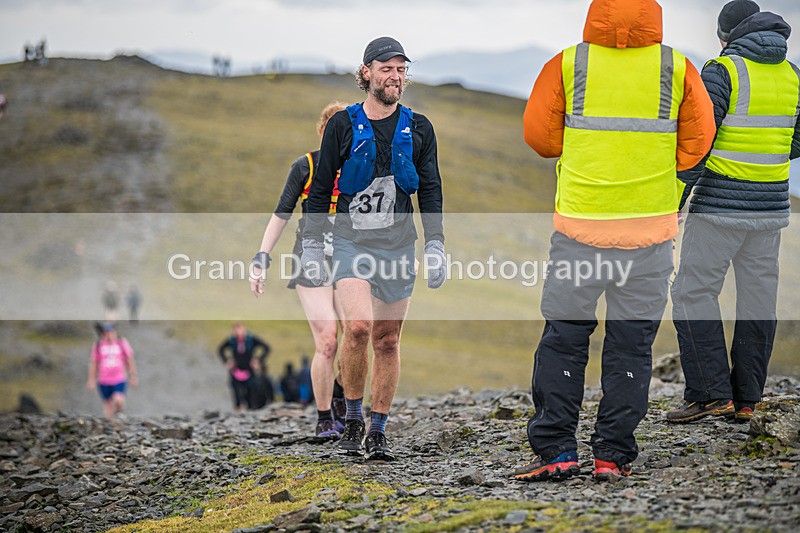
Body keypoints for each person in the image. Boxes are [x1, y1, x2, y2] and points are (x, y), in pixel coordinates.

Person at [514, 0, 715, 482]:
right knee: (630, 345)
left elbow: (541, 140)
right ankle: (612, 455)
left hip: (580, 231)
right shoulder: (677, 67)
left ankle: (558, 450)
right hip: (649, 236)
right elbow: (699, 141)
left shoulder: (567, 63)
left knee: (564, 340)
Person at [300, 36, 446, 461]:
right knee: (359, 328)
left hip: (399, 245)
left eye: (401, 69)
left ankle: (378, 430)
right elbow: (322, 184)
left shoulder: (420, 128)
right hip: (350, 241)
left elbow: (431, 189)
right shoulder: (343, 125)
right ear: (366, 73)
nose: (395, 76)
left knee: (387, 339)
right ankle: (352, 419)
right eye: (386, 69)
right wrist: (311, 244)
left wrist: (435, 244)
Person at [666, 1, 800, 425]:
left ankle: (710, 394)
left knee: (692, 292)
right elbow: (795, 141)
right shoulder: (793, 74)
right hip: (770, 212)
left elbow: (697, 144)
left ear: (726, 35)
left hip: (718, 209)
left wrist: (675, 204)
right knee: (758, 300)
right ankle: (747, 399)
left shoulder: (721, 71)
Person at [249, 102, 348, 439]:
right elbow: (281, 214)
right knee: (328, 340)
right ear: (324, 133)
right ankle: (323, 418)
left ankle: (338, 395)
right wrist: (261, 257)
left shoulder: (361, 169)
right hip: (312, 260)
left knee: (357, 336)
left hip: (353, 260)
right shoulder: (306, 166)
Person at [86, 322, 139, 418]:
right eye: (107, 332)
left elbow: (129, 360)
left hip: (119, 379)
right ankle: (111, 427)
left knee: (118, 399)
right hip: (103, 380)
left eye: (111, 332)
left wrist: (133, 376)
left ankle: (120, 413)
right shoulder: (98, 345)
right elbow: (94, 363)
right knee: (107, 406)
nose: (109, 334)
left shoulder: (121, 343)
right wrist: (91, 380)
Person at [217, 322, 271, 412]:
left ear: (244, 329)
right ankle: (238, 410)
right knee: (236, 391)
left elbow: (266, 348)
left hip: (249, 369)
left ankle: (252, 410)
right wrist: (226, 361)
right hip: (235, 370)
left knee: (251, 390)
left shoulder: (251, 339)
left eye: (240, 329)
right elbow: (220, 349)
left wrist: (258, 360)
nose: (238, 332)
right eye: (236, 330)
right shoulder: (232, 341)